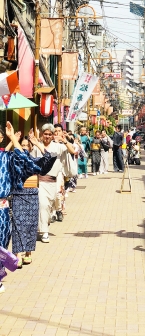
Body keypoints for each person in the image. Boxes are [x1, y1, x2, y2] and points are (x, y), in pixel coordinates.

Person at [0, 122, 53, 292]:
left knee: (1, 243)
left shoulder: (8, 159)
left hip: (2, 208)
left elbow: (30, 162)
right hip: (13, 201)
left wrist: (15, 140)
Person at [11, 131, 54, 267]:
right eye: (21, 145)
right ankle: (17, 254)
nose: (23, 147)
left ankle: (28, 253)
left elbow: (49, 157)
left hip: (32, 195)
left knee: (30, 226)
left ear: (30, 148)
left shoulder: (34, 161)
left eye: (26, 145)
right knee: (17, 226)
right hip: (18, 195)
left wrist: (37, 143)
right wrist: (12, 141)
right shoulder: (14, 161)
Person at [31, 124, 75, 243]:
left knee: (51, 208)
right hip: (40, 181)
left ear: (52, 135)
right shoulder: (36, 147)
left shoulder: (58, 146)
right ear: (42, 134)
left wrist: (64, 140)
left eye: (50, 134)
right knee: (43, 204)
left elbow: (73, 151)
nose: (47, 136)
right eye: (45, 134)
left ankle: (46, 223)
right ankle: (44, 232)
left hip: (55, 182)